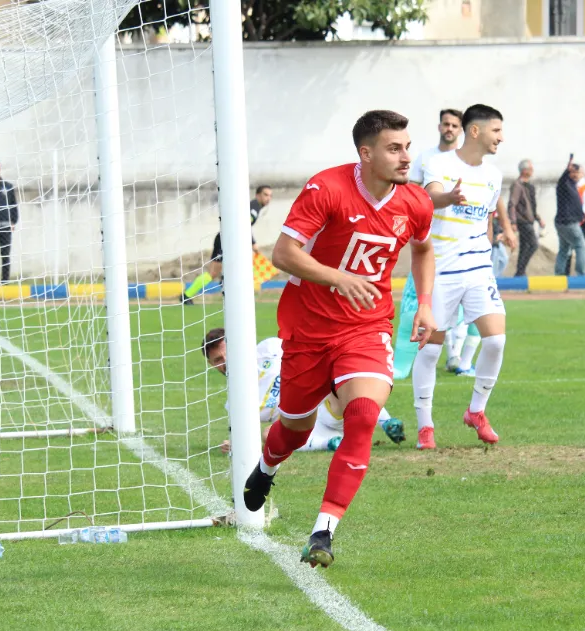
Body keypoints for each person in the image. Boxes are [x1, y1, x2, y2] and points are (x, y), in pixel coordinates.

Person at [242, 110, 436, 568]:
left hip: (367, 327)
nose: (406, 157)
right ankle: (267, 466)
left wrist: (425, 302)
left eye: (407, 147)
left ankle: (323, 531)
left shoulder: (416, 201)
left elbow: (424, 249)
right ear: (365, 153)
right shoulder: (326, 188)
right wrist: (338, 278)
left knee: (363, 415)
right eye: (394, 148)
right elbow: (283, 253)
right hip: (308, 328)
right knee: (294, 428)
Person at [411, 103, 515, 451]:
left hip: (478, 268)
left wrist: (490, 247)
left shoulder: (494, 175)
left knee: (496, 341)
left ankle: (476, 411)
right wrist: (448, 197)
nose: (501, 137)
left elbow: (486, 219)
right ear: (475, 131)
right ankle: (425, 426)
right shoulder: (439, 163)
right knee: (430, 352)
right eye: (496, 130)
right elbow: (429, 197)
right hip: (441, 270)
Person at [200, 329, 406, 454]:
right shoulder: (235, 401)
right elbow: (246, 434)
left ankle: (387, 422)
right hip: (307, 428)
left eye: (227, 354)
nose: (225, 362)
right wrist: (236, 444)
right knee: (268, 434)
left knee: (338, 377)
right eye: (218, 360)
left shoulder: (269, 348)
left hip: (327, 404)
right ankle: (331, 443)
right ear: (211, 365)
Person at [181, 184, 271, 304]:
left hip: (229, 241)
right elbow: (244, 226)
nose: (268, 198)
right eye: (265, 195)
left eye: (270, 196)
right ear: (258, 195)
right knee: (213, 273)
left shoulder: (255, 208)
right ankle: (187, 295)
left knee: (232, 267)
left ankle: (225, 283)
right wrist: (253, 243)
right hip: (225, 241)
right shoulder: (253, 209)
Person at [508, 159, 545, 276]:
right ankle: (520, 271)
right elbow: (512, 204)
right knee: (533, 244)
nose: (532, 171)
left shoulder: (529, 186)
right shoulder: (517, 185)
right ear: (524, 170)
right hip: (522, 221)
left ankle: (520, 272)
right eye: (530, 168)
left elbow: (531, 206)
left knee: (524, 247)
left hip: (529, 220)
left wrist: (538, 218)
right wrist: (513, 222)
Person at [410, 108, 463, 184]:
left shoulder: (466, 158)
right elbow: (413, 187)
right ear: (439, 127)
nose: (450, 129)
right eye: (446, 124)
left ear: (460, 131)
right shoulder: (424, 157)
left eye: (454, 126)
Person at [554, 158, 585, 276]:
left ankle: (559, 274)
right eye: (573, 172)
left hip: (564, 222)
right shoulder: (564, 183)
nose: (576, 175)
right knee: (581, 246)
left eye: (578, 172)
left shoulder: (573, 185)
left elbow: (573, 204)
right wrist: (567, 169)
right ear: (569, 173)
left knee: (564, 249)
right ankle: (580, 274)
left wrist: (582, 215)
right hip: (568, 223)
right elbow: (563, 178)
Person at [491, 198, 511, 277]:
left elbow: (500, 220)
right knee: (494, 263)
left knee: (504, 259)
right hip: (492, 241)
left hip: (497, 238)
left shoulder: (496, 204)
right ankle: (493, 279)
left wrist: (503, 232)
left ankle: (496, 278)